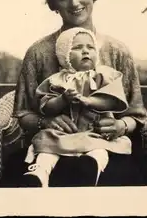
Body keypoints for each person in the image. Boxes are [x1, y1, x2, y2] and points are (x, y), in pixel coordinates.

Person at [2, 0, 147, 187]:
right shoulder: (38, 53)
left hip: (104, 147)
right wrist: (46, 122)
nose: (74, 2)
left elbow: (137, 116)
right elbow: (22, 115)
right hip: (53, 148)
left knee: (123, 177)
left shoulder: (117, 51)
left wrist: (120, 126)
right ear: (54, 4)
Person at [22, 27, 131, 187]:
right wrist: (63, 99)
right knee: (47, 149)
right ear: (64, 55)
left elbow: (113, 101)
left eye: (90, 47)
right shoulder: (57, 80)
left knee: (99, 151)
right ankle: (39, 173)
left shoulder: (104, 75)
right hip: (63, 133)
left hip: (94, 132)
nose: (85, 52)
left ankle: (91, 167)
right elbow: (46, 107)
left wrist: (90, 102)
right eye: (78, 48)